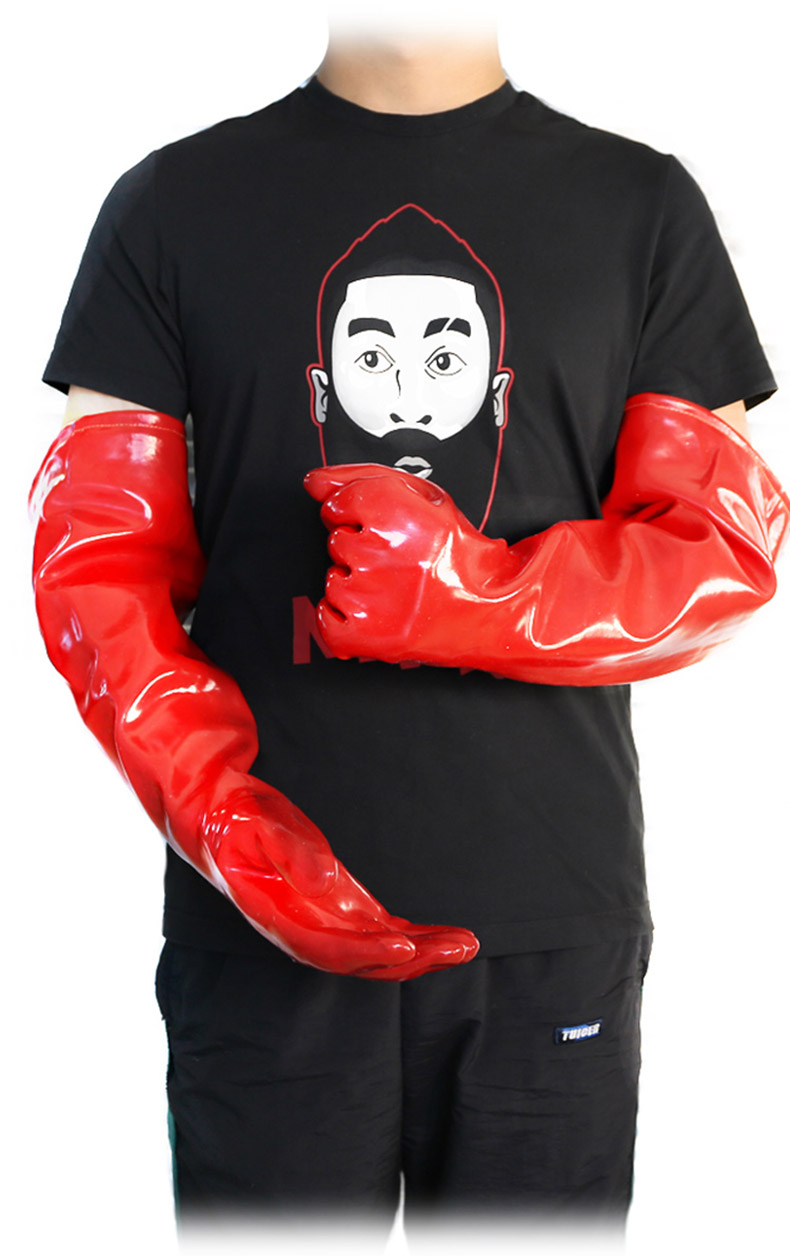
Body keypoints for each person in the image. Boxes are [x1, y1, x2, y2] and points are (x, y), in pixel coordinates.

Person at [29, 11, 787, 1246]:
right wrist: (226, 822)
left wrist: (478, 593)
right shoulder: (173, 204)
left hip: (547, 918)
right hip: (258, 937)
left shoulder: (637, 205)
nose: (407, 392)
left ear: (491, 383)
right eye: (372, 356)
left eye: (445, 358)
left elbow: (722, 544)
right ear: (326, 382)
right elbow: (96, 566)